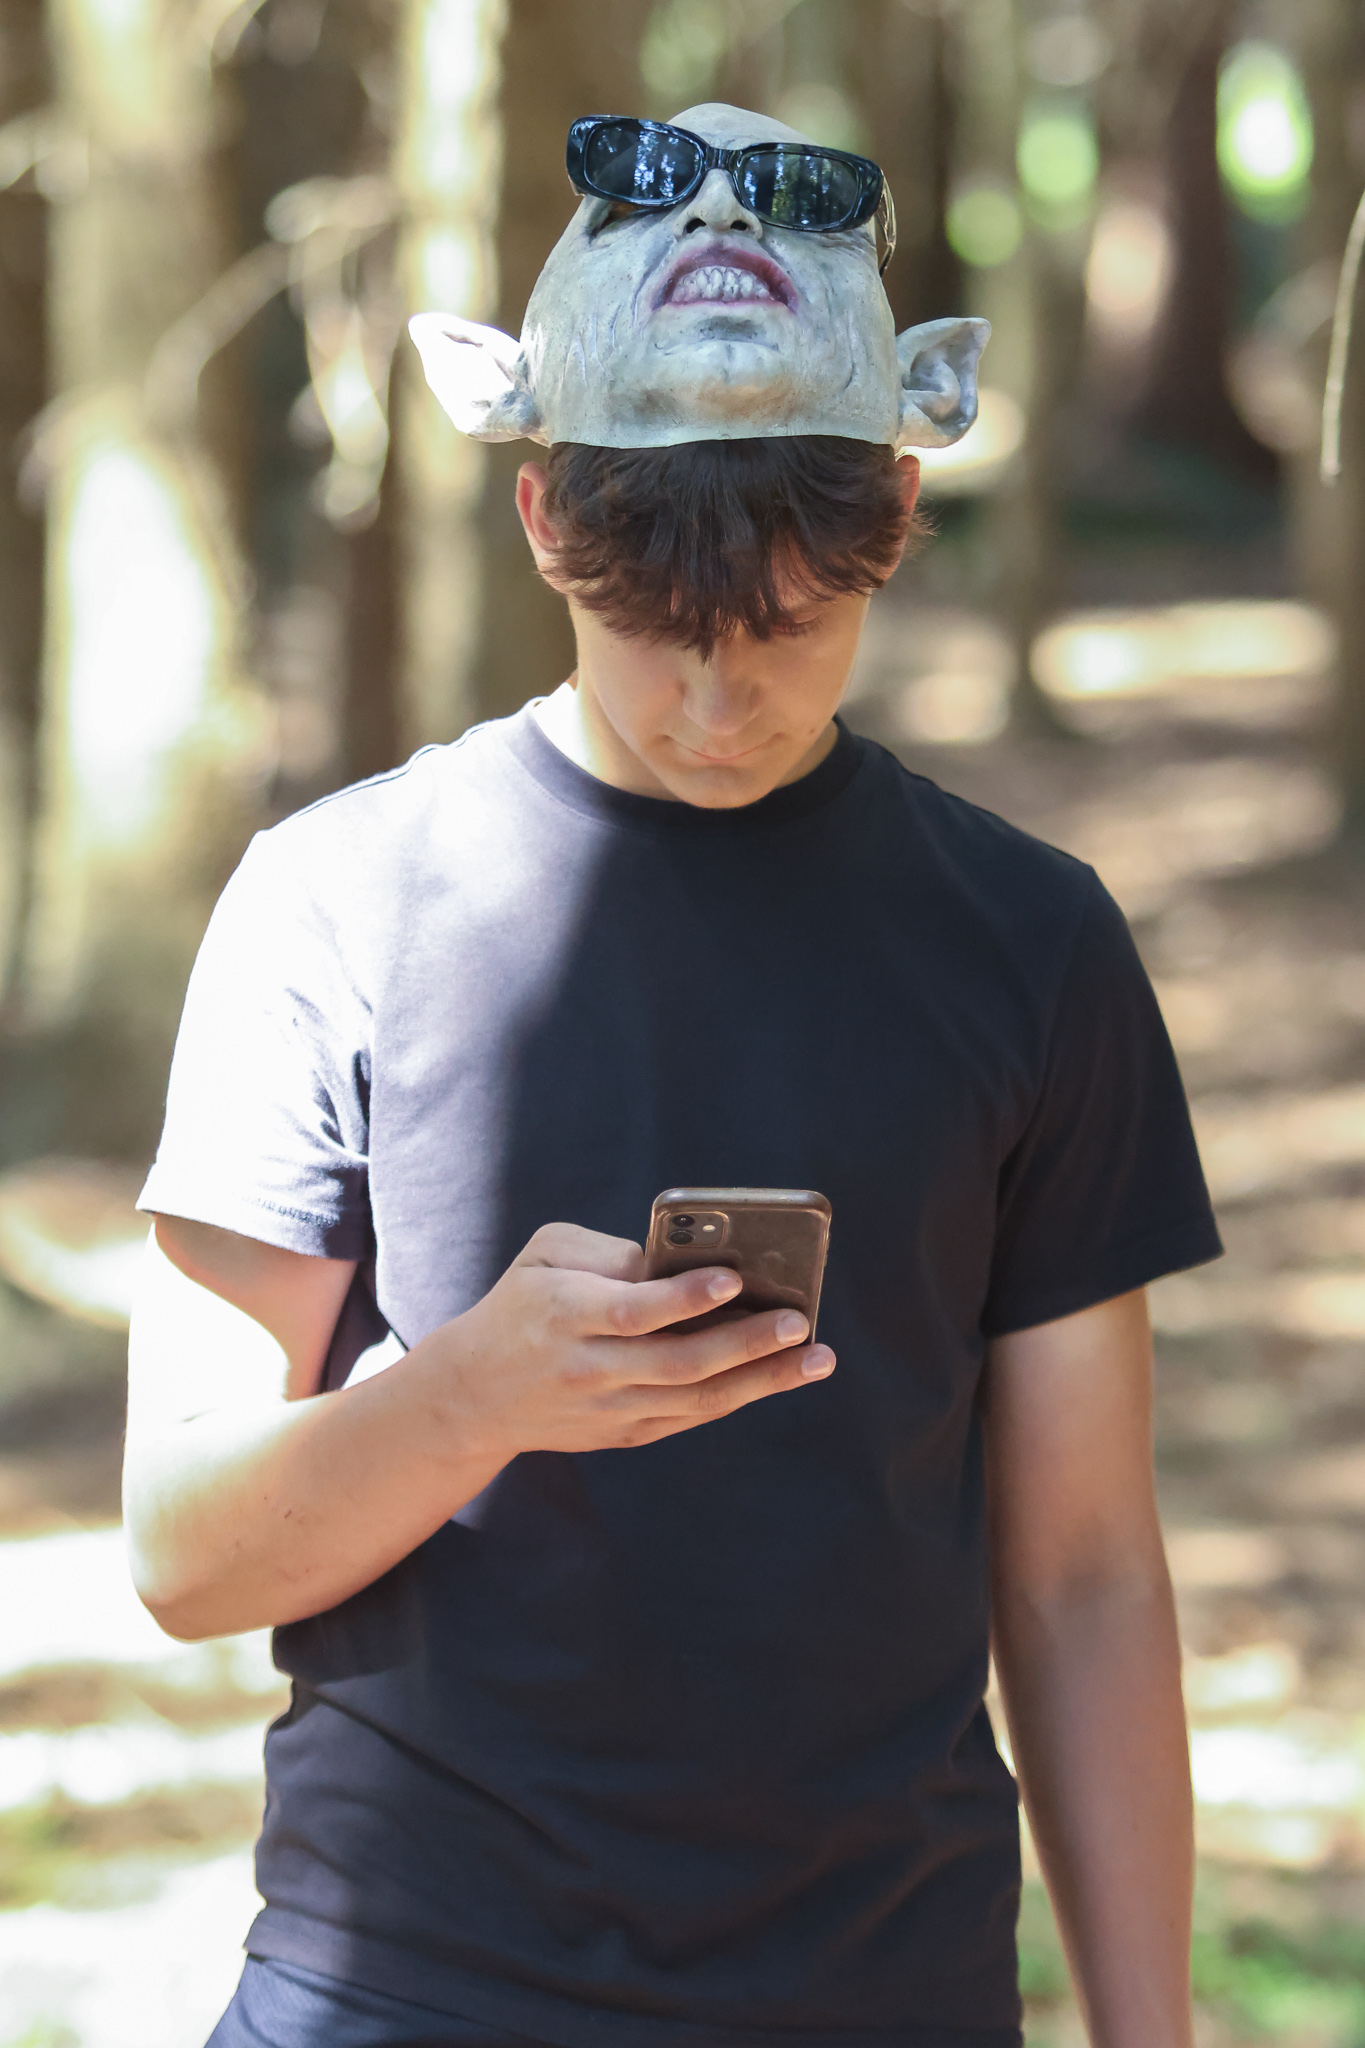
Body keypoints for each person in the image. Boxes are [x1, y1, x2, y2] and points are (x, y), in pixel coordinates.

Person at [125, 102, 1221, 2048]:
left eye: (785, 625)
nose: (716, 703)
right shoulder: (331, 901)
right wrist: (472, 1397)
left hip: (885, 1993)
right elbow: (183, 1553)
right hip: (409, 1987)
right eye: (656, 628)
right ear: (544, 515)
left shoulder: (1026, 939)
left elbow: (1079, 1576)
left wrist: (1150, 2030)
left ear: (898, 505)